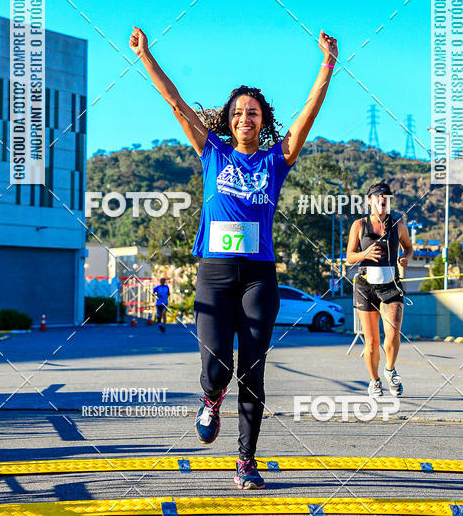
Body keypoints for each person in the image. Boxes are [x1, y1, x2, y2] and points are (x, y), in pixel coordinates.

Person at [129, 25, 337, 490]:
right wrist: (146, 56)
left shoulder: (277, 160)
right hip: (216, 272)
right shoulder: (212, 152)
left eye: (254, 112)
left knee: (253, 370)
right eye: (239, 111)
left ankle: (246, 460)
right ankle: (210, 397)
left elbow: (307, 114)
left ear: (263, 120)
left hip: (259, 275)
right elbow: (175, 101)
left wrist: (327, 64)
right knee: (216, 362)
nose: (246, 117)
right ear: (229, 118)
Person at [345, 181, 413, 398]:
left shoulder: (399, 226)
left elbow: (408, 246)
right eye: (378, 197)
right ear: (369, 201)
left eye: (386, 198)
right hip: (366, 286)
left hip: (391, 285)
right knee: (372, 341)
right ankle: (374, 381)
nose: (382, 201)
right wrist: (364, 255)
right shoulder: (359, 225)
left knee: (393, 333)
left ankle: (390, 370)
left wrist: (406, 257)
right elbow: (348, 258)